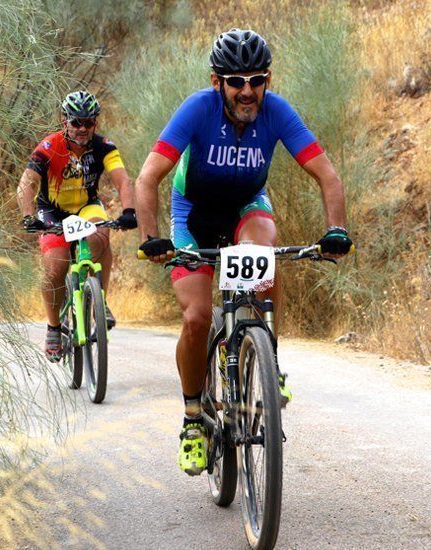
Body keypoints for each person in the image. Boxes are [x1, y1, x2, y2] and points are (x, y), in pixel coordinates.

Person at [134, 29, 353, 475]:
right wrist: (150, 238)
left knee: (264, 250)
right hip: (192, 214)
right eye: (236, 81)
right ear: (218, 82)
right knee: (196, 317)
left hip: (245, 207)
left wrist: (336, 230)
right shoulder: (197, 109)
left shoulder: (277, 112)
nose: (247, 91)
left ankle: (267, 358)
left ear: (267, 79)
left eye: (256, 79)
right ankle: (193, 419)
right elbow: (147, 178)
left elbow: (327, 175)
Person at [17, 91, 137, 362]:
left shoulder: (104, 146)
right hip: (53, 212)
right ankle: (53, 328)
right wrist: (28, 216)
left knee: (101, 236)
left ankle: (100, 302)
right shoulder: (49, 146)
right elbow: (27, 183)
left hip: (86, 206)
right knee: (56, 266)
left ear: (95, 123)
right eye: (76, 122)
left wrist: (129, 211)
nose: (82, 129)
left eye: (88, 123)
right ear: (65, 121)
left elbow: (123, 181)